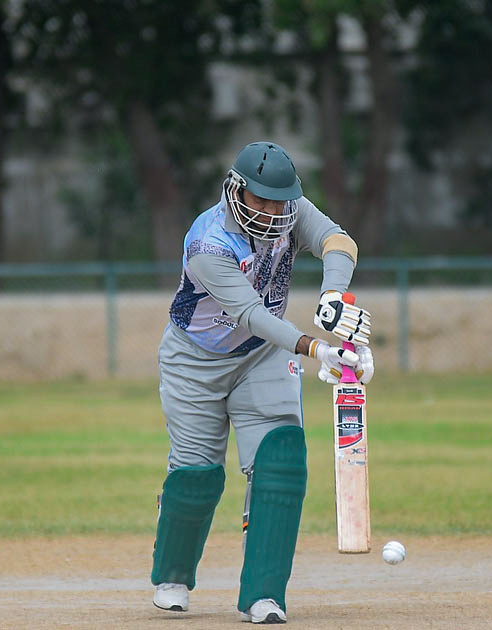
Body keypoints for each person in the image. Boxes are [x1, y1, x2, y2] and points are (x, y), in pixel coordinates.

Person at [150, 141, 374, 624]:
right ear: (236, 191)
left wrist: (333, 295)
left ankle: (263, 595)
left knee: (281, 460)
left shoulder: (292, 211)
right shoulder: (209, 244)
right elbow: (251, 314)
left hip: (262, 357)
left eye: (281, 201)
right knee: (197, 476)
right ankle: (172, 574)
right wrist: (318, 349)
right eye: (262, 200)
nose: (273, 213)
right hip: (195, 360)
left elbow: (339, 241)